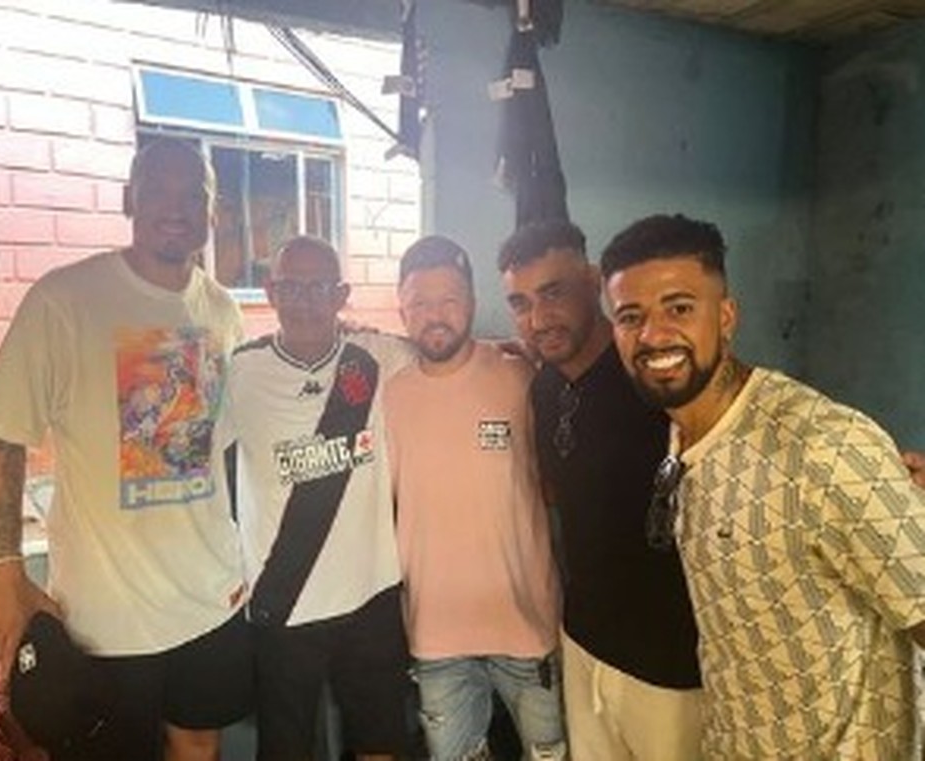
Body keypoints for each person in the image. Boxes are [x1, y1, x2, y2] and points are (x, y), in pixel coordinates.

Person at [600, 212, 925, 760]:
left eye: (679, 308)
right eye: (631, 316)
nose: (653, 335)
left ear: (726, 317)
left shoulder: (822, 445)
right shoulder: (682, 433)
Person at [0, 137, 253, 761]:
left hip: (208, 597)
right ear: (130, 199)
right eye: (158, 190)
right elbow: (0, 435)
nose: (176, 208)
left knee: (199, 743)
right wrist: (6, 568)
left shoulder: (222, 310)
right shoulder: (64, 300)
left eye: (193, 195)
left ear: (212, 212)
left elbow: (224, 450)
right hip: (104, 614)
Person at [497, 220, 703, 761]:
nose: (538, 319)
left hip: (670, 661)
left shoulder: (656, 374)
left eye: (553, 293)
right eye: (520, 303)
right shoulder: (543, 386)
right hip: (583, 640)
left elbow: (750, 422)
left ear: (593, 282)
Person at [216, 235, 414, 760]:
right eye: (291, 288)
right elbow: (194, 470)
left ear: (342, 294)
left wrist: (515, 351)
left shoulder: (378, 357)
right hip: (281, 598)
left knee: (380, 742)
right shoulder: (238, 373)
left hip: (370, 593)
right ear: (270, 292)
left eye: (320, 287)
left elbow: (448, 354)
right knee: (286, 749)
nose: (304, 302)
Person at [384, 235, 565, 761]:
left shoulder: (521, 376)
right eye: (419, 303)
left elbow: (555, 480)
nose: (434, 315)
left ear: (472, 300)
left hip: (528, 626)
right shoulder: (388, 396)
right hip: (436, 637)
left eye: (449, 299)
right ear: (401, 308)